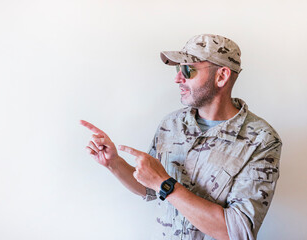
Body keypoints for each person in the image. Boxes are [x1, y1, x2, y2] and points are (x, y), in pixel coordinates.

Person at [80, 34, 282, 240]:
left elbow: (238, 232)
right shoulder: (171, 124)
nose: (178, 78)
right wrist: (113, 163)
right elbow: (150, 188)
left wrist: (165, 184)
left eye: (188, 70)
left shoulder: (262, 140)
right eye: (179, 69)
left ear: (221, 76)